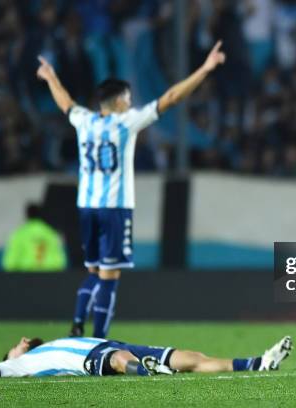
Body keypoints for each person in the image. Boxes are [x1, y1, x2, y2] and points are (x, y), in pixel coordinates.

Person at [35, 42, 226, 339]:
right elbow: (172, 97)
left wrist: (50, 78)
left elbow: (65, 102)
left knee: (93, 272)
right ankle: (99, 338)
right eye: (128, 97)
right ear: (120, 101)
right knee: (110, 277)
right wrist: (205, 68)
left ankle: (76, 321)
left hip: (86, 206)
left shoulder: (83, 120)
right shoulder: (126, 122)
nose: (130, 101)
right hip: (115, 208)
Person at [0, 335, 292, 379]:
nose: (20, 343)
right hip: (95, 359)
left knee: (192, 356)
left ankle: (260, 362)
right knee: (116, 360)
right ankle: (147, 373)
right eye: (17, 345)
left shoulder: (52, 342)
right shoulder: (15, 366)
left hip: (115, 343)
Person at [2, 204, 67, 272]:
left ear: (27, 215)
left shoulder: (20, 234)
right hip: (48, 276)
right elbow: (60, 261)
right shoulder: (50, 233)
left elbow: (9, 263)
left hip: (26, 276)